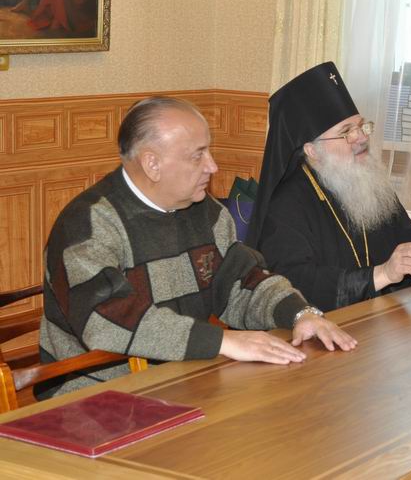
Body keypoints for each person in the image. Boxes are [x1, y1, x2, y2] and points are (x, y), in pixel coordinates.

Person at [40, 96, 357, 398]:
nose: (213, 166)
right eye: (198, 155)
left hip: (183, 378)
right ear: (152, 164)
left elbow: (244, 283)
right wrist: (220, 341)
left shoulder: (206, 212)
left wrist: (300, 313)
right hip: (93, 396)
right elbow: (106, 320)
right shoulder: (88, 224)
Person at [246, 62, 411, 312]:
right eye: (347, 132)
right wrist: (381, 274)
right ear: (312, 150)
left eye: (361, 126)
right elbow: (295, 284)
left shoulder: (368, 183)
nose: (361, 137)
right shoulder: (285, 205)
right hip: (324, 328)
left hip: (382, 318)